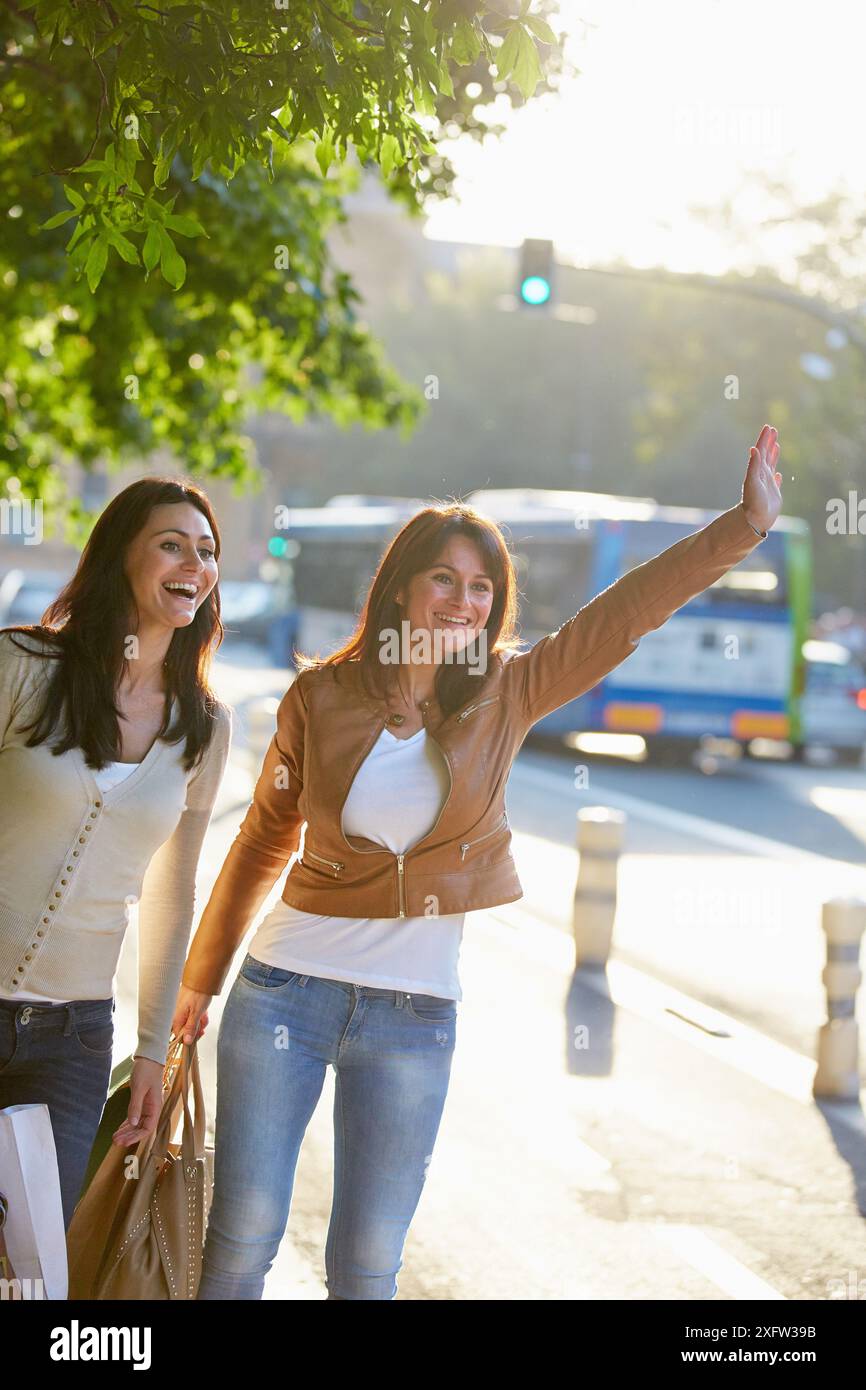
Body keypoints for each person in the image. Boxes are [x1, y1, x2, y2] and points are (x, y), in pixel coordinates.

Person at [175, 426, 782, 1301]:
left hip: (414, 1020)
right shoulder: (323, 696)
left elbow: (626, 612)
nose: (463, 601)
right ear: (401, 590)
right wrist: (199, 981)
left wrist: (745, 525)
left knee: (367, 1268)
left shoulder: (511, 690)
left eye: (481, 588)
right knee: (240, 1245)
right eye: (444, 580)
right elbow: (263, 838)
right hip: (286, 993)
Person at [0, 478, 232, 1230]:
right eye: (172, 544)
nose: (194, 563)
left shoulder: (204, 727)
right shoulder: (22, 667)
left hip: (72, 1041)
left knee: (35, 1268)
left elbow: (172, 893)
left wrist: (152, 1054)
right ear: (119, 557)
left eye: (207, 551)